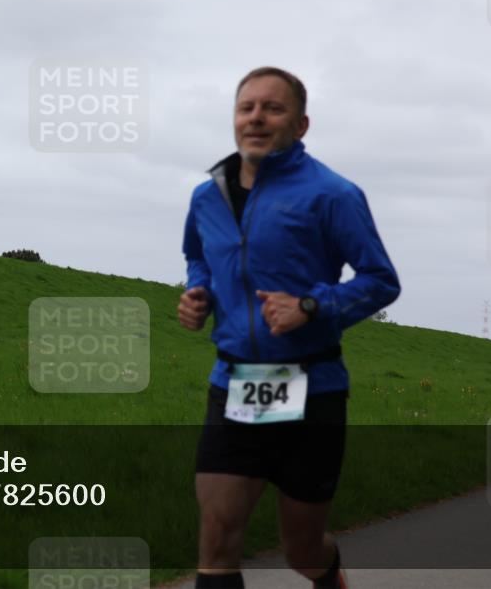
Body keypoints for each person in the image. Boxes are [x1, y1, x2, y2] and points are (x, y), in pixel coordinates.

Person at [179, 67, 401, 589]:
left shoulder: (333, 194)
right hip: (235, 383)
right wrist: (199, 293)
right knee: (217, 538)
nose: (256, 118)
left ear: (300, 125)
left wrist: (312, 306)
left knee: (301, 550)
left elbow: (380, 280)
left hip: (312, 387)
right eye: (246, 107)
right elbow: (198, 256)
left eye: (272, 108)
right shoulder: (206, 197)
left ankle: (329, 576)